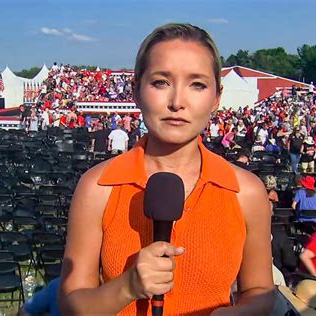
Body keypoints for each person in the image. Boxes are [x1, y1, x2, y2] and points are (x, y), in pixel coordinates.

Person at [59, 23, 274, 315]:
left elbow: (260, 291)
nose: (177, 102)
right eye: (161, 82)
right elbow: (71, 305)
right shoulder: (98, 187)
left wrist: (235, 313)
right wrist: (128, 286)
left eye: (197, 84)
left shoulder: (246, 192)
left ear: (217, 98)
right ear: (135, 90)